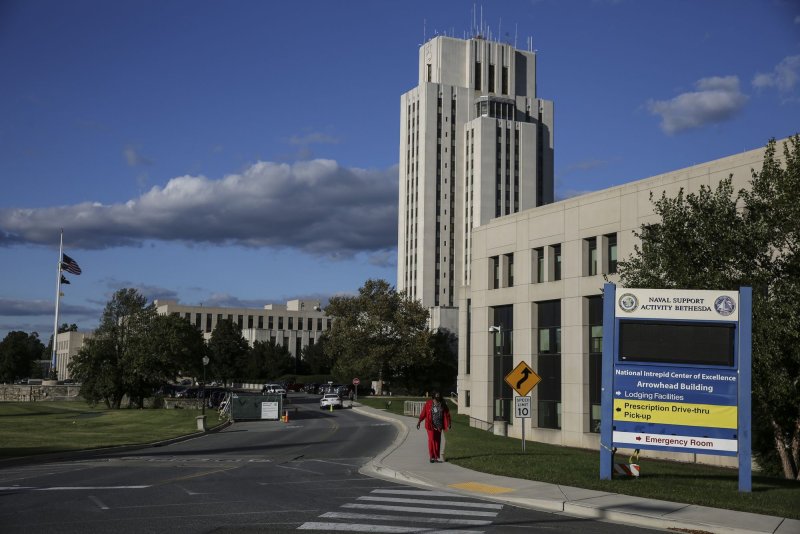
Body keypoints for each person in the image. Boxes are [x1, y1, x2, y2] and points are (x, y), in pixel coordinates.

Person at [416, 392, 451, 463]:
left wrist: (449, 423)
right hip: (430, 425)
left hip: (439, 426)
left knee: (437, 441)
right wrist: (419, 421)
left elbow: (447, 414)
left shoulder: (443, 404)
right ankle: (431, 457)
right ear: (433, 398)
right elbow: (424, 413)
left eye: (438, 398)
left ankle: (435, 458)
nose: (436, 400)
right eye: (435, 398)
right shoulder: (428, 403)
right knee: (432, 440)